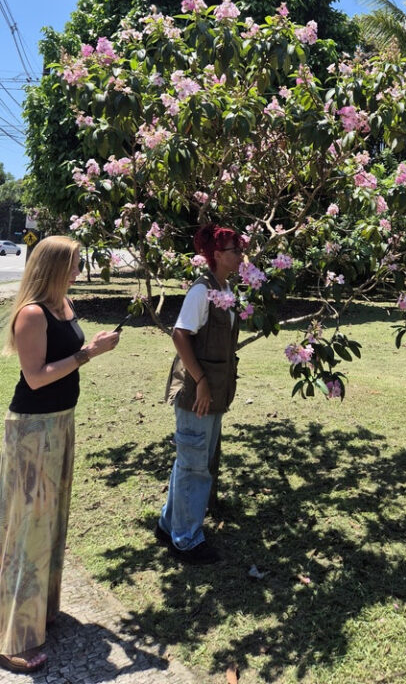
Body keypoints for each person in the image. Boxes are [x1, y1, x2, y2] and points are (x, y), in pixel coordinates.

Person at [0, 236, 119, 674]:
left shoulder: (64, 304)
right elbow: (36, 378)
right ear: (53, 267)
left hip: (61, 422)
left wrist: (87, 350)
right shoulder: (32, 313)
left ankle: (36, 612)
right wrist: (88, 353)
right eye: (73, 264)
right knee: (26, 530)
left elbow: (67, 361)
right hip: (32, 430)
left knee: (49, 522)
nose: (78, 271)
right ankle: (7, 640)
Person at [157, 224, 244, 563]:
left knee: (191, 462)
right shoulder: (202, 290)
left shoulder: (225, 287)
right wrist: (202, 380)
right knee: (195, 467)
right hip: (198, 394)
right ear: (218, 256)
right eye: (235, 250)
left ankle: (168, 525)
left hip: (214, 392)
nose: (240, 255)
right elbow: (180, 335)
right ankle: (187, 540)